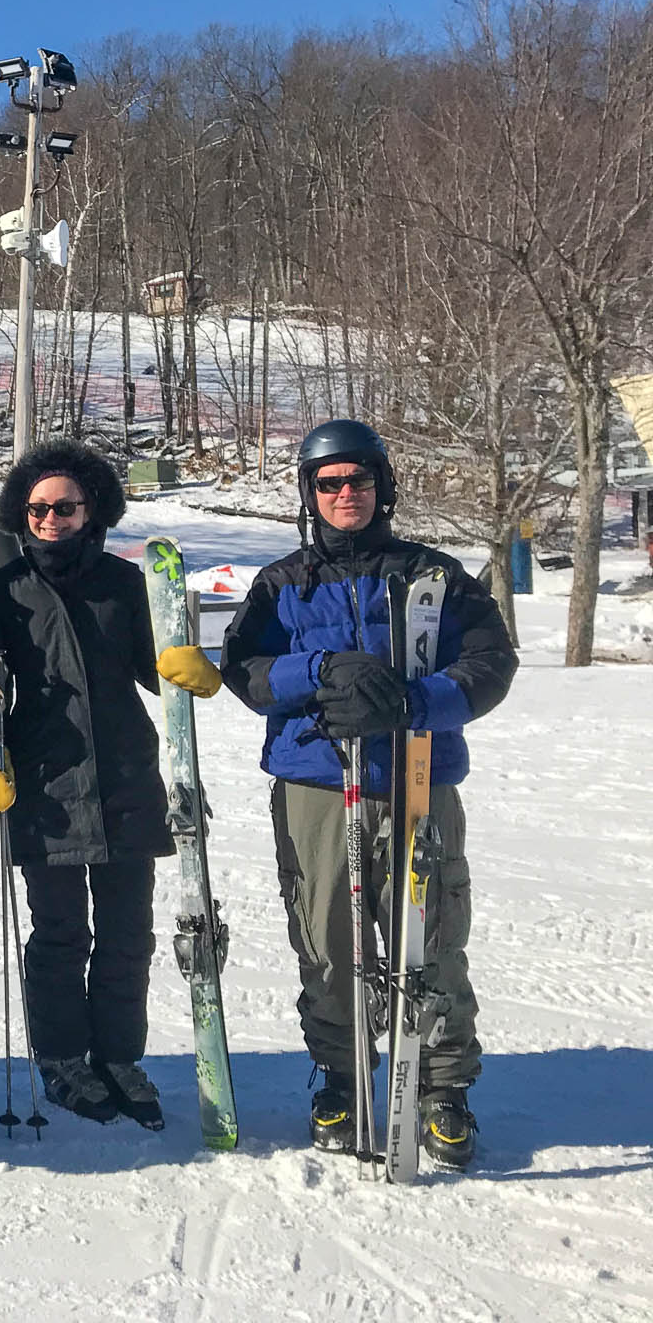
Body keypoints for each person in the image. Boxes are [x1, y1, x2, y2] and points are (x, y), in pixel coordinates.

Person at [220, 419, 517, 1169]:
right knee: (326, 937)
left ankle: (442, 1084)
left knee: (433, 932)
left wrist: (418, 704)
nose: (345, 494)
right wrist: (319, 672)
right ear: (309, 492)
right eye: (329, 483)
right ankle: (343, 1074)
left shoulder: (433, 575)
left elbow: (491, 662)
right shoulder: (284, 583)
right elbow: (247, 671)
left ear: (382, 486)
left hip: (417, 777)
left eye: (358, 480)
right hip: (318, 783)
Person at [0, 439, 202, 1128]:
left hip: (127, 779)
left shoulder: (123, 584)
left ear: (90, 509)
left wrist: (182, 664)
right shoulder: (6, 591)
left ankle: (120, 1057)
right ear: (21, 513)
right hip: (45, 786)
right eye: (37, 507)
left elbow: (154, 670)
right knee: (61, 933)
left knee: (129, 933)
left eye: (64, 507)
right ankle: (64, 1057)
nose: (50, 518)